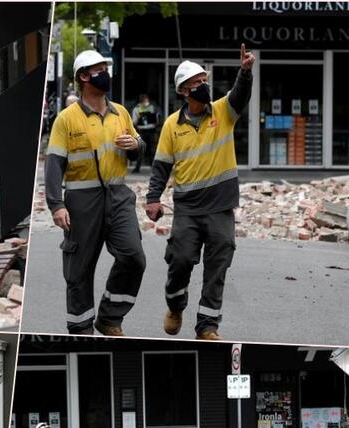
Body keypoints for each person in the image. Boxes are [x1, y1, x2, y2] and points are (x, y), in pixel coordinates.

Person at [146, 46, 254, 342]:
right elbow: (161, 166)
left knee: (218, 264)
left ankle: (207, 326)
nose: (202, 85)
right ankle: (175, 305)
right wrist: (153, 199)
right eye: (195, 82)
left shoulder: (223, 111)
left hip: (220, 208)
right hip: (187, 210)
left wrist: (245, 72)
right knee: (180, 260)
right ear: (183, 91)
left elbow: (240, 96)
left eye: (204, 79)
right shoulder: (172, 125)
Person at [44, 50, 145, 337]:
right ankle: (80, 329)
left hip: (118, 196)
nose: (105, 73)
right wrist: (56, 205)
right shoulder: (66, 119)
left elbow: (140, 144)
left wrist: (135, 145)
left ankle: (110, 318)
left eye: (105, 68)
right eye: (99, 69)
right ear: (84, 77)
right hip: (81, 201)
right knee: (79, 271)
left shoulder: (121, 113)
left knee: (134, 256)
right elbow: (54, 164)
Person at [131, 94, 159, 173]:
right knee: (141, 149)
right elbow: (134, 121)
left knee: (152, 150)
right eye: (145, 101)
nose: (147, 103)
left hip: (151, 131)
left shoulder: (152, 107)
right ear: (141, 101)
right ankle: (137, 168)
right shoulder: (137, 109)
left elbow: (156, 118)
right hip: (142, 131)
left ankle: (153, 168)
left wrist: (156, 122)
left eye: (147, 101)